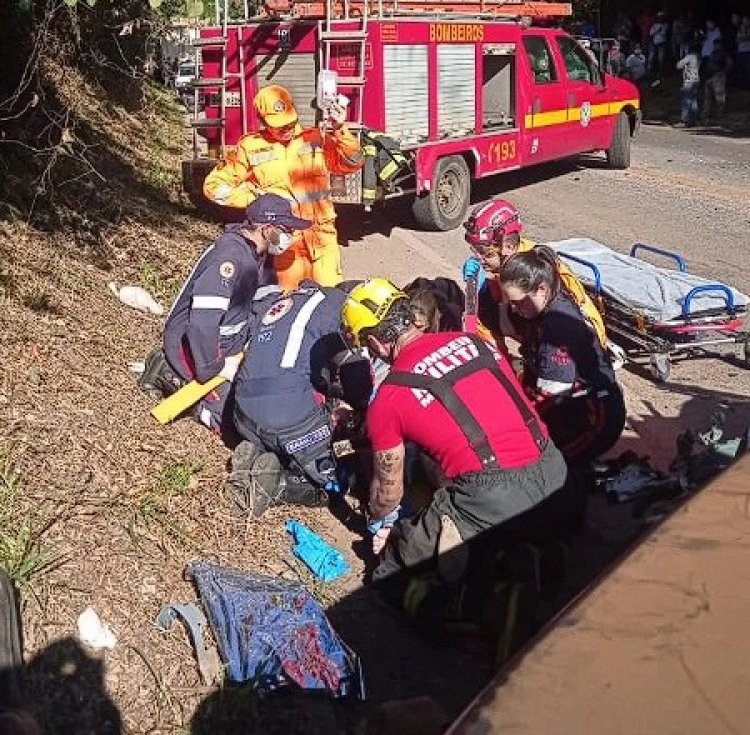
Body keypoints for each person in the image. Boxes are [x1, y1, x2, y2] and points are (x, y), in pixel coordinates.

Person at [341, 278, 568, 586]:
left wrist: (382, 527)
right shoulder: (474, 342)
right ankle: (533, 544)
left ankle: (489, 588)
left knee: (390, 576)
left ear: (376, 342)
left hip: (494, 495)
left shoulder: (390, 397)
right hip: (553, 468)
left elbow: (388, 493)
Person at [138, 194, 311, 438]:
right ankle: (167, 372)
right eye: (285, 230)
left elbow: (267, 301)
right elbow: (202, 323)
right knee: (233, 421)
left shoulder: (261, 254)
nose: (290, 238)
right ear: (266, 228)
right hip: (195, 350)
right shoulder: (229, 257)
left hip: (231, 345)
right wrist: (214, 368)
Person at [202, 85, 364, 290]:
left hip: (321, 238)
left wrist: (341, 129)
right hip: (284, 243)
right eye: (279, 126)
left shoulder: (315, 138)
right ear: (263, 121)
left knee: (331, 301)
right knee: (286, 304)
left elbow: (353, 162)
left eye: (290, 122)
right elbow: (214, 187)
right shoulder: (250, 147)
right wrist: (256, 200)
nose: (287, 129)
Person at [228, 281, 365, 516]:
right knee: (334, 484)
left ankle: (261, 451)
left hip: (241, 412)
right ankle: (277, 485)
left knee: (297, 411)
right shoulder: (343, 316)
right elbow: (358, 385)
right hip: (286, 418)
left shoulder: (291, 298)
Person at [498, 246, 626, 466]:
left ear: (541, 289)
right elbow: (507, 329)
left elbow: (550, 394)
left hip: (595, 417)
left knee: (544, 463)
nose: (514, 308)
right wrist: (503, 302)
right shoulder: (539, 304)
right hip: (569, 400)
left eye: (518, 302)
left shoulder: (558, 326)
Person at [461, 200, 609, 357]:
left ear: (509, 247)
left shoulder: (533, 271)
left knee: (485, 313)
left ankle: (503, 370)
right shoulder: (513, 260)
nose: (479, 260)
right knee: (482, 308)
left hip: (579, 341)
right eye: (476, 252)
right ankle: (499, 363)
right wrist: (482, 288)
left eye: (486, 254)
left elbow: (565, 321)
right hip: (543, 324)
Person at [676, 41, 701, 127]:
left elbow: (678, 65)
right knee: (693, 101)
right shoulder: (698, 57)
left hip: (689, 81)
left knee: (686, 101)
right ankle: (695, 119)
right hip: (696, 80)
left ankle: (684, 120)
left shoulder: (689, 57)